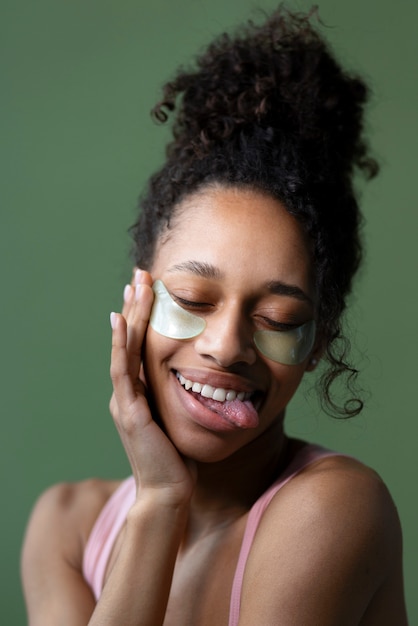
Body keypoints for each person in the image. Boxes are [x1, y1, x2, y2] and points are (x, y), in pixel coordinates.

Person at [21, 7, 408, 625]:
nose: (226, 346)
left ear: (317, 343)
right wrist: (159, 501)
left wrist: (158, 498)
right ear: (139, 297)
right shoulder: (66, 527)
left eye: (279, 318)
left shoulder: (333, 508)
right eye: (195, 302)